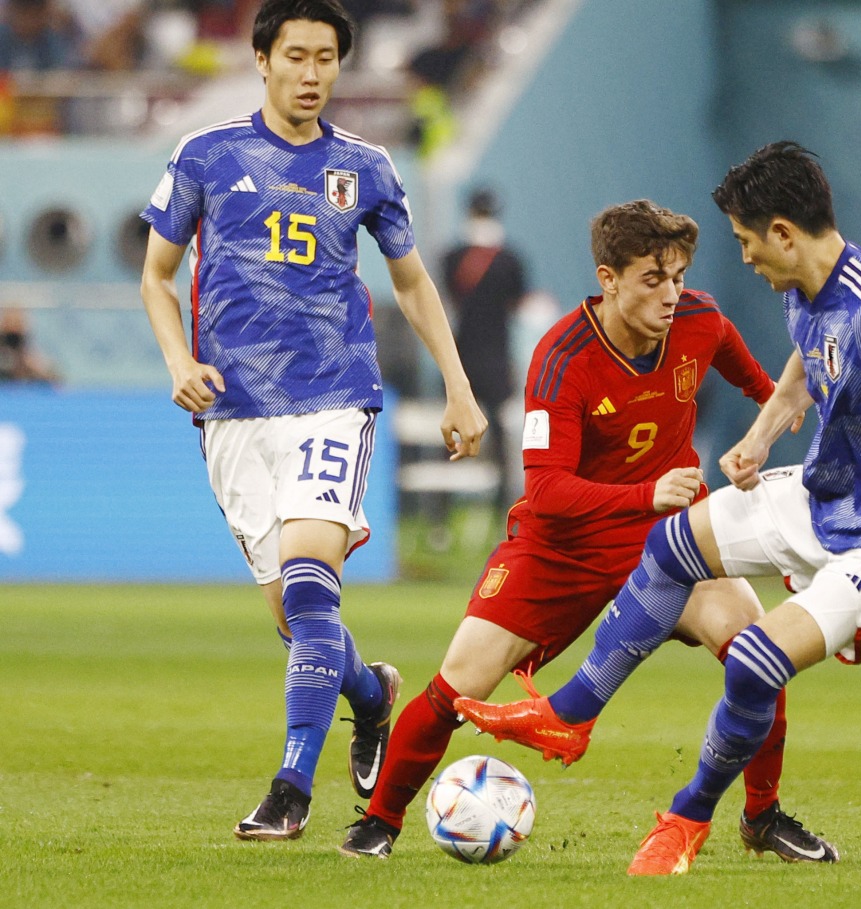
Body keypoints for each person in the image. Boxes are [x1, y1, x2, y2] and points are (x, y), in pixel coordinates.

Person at [456, 141, 861, 875]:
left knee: (753, 661)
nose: (743, 258)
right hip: (828, 497)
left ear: (783, 232)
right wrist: (756, 439)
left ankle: (685, 819)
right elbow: (802, 371)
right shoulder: (804, 287)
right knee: (675, 540)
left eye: (747, 242)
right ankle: (572, 712)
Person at [340, 199, 819, 865]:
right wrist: (646, 491)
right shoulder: (562, 358)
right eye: (653, 280)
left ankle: (762, 816)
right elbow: (547, 491)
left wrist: (772, 405)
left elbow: (743, 368)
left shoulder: (700, 320)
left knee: (763, 658)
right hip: (559, 547)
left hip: (670, 542)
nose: (671, 294)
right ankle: (378, 822)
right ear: (609, 277)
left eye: (678, 276)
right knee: (457, 686)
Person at [139, 0, 486, 842]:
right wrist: (180, 365)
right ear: (261, 59)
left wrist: (458, 385)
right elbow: (156, 275)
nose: (311, 73)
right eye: (295, 56)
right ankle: (372, 698)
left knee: (307, 584)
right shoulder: (205, 155)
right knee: (298, 621)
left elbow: (409, 282)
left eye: (326, 58)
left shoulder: (366, 167)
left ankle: (291, 788)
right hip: (231, 414)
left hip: (333, 397)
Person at [441, 185, 527, 521]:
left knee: (447, 432)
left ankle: (441, 518)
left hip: (460, 358)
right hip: (497, 357)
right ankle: (503, 510)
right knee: (501, 435)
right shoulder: (511, 260)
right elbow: (517, 303)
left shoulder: (452, 257)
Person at [0, 307, 60, 384]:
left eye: (17, 323)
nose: (13, 326)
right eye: (10, 323)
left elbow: (55, 379)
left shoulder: (30, 359)